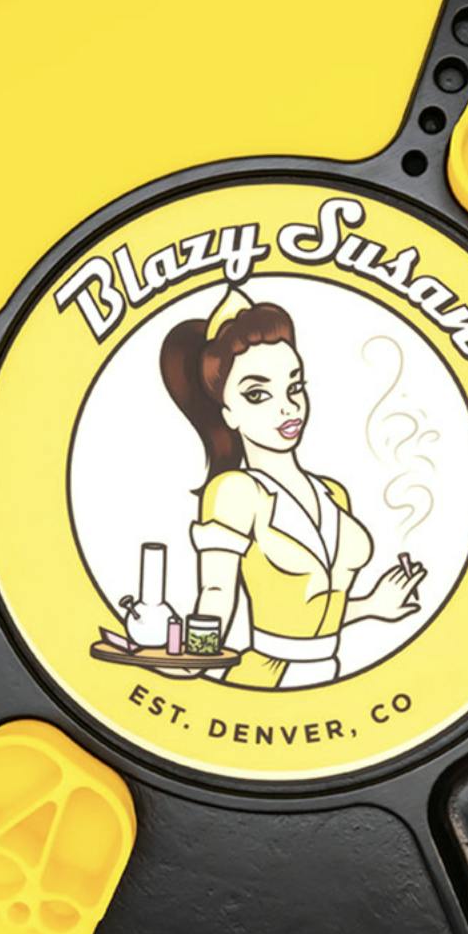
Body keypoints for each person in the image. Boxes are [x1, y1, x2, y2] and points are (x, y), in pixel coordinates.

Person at [159, 284, 426, 688]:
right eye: (258, 394)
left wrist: (373, 606)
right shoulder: (235, 492)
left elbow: (313, 611)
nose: (287, 406)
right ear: (228, 413)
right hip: (267, 678)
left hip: (328, 673)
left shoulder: (333, 493)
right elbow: (215, 592)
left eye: (294, 386)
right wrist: (193, 660)